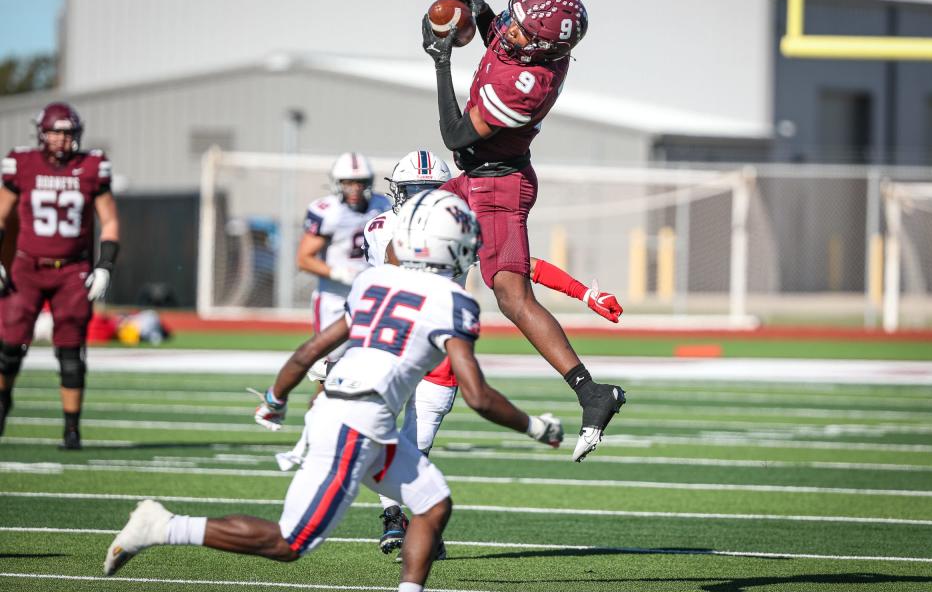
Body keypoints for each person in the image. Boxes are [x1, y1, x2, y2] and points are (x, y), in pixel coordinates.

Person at [104, 190, 563, 592]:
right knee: (290, 542)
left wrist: (275, 398)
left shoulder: (374, 281)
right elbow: (478, 395)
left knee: (432, 502)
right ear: (452, 245)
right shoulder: (453, 301)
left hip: (357, 412)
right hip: (355, 423)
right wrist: (535, 427)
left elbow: (312, 349)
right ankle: (163, 526)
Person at [362, 149, 623, 556]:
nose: (421, 203)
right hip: (411, 335)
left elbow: (520, 265)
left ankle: (399, 517)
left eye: (429, 193)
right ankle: (397, 516)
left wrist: (583, 291)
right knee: (381, 429)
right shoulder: (397, 227)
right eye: (415, 194)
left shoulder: (434, 224)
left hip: (425, 337)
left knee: (415, 441)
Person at [421, 0, 625, 461]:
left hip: (497, 187)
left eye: (520, 28)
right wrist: (477, 7)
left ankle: (591, 392)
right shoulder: (530, 42)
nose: (507, 30)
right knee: (405, 226)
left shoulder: (528, 85)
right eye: (513, 18)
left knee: (511, 295)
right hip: (477, 178)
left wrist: (440, 60)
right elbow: (501, 29)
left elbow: (455, 131)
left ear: (543, 47)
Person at [0, 102, 119, 449]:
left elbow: (109, 220)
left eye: (67, 133)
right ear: (42, 133)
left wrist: (105, 265)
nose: (62, 140)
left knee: (71, 352)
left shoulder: (91, 166)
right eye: (55, 132)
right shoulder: (22, 164)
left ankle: (71, 430)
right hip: (27, 266)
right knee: (8, 348)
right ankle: (3, 402)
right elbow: (1, 214)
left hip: (72, 269)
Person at [296, 152, 391, 382]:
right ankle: (321, 415)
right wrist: (337, 272)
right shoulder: (327, 211)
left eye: (360, 182)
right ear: (337, 183)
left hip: (371, 297)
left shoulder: (382, 205)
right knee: (327, 373)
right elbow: (304, 258)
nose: (355, 188)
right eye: (348, 182)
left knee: (372, 363)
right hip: (334, 299)